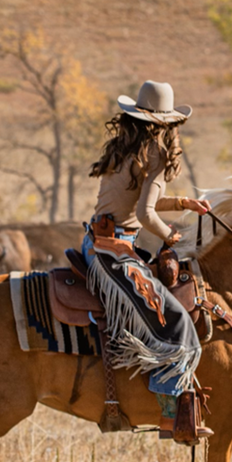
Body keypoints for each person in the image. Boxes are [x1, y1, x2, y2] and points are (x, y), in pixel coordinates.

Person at [83, 80, 212, 443]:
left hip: (97, 241)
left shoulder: (127, 149)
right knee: (176, 326)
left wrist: (182, 203)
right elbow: (145, 212)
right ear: (167, 125)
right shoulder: (155, 154)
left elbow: (134, 205)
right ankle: (170, 415)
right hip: (112, 252)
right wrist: (172, 236)